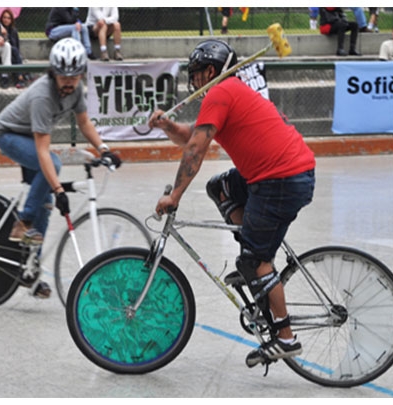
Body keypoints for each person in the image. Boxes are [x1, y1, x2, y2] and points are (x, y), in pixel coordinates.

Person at [148, 39, 315, 368]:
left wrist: (174, 196)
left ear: (211, 71)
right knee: (220, 187)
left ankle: (285, 338)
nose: (194, 80)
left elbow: (195, 150)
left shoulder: (221, 92)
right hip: (279, 175)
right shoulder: (227, 93)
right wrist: (168, 126)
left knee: (256, 260)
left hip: (281, 179)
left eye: (196, 74)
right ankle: (252, 261)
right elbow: (193, 137)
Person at [0, 38, 122, 298]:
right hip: (10, 135)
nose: (68, 82)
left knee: (47, 206)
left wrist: (104, 149)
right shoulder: (43, 95)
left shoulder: (76, 90)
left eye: (74, 76)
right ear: (53, 73)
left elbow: (85, 123)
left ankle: (30, 271)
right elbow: (43, 151)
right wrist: (58, 188)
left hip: (30, 137)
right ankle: (23, 221)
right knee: (53, 165)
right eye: (63, 76)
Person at [0, 8, 31, 88]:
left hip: (13, 55)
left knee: (14, 56)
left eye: (9, 18)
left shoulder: (13, 31)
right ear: (1, 18)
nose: (6, 20)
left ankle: (20, 78)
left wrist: (8, 35)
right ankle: (21, 76)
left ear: (11, 20)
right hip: (1, 55)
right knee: (14, 53)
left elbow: (16, 46)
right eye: (4, 17)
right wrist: (3, 35)